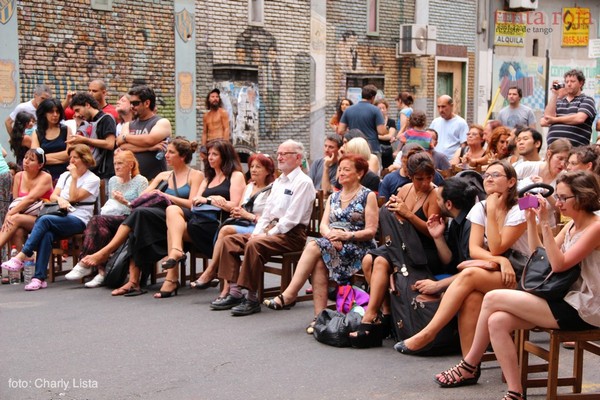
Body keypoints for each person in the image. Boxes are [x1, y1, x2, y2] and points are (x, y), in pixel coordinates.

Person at [434, 170, 600, 400]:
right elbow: (540, 257)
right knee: (497, 320)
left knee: (492, 298)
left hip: (586, 307)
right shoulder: (572, 225)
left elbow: (559, 264)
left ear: (582, 198)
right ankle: (515, 392)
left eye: (563, 198)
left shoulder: (596, 227)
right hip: (565, 298)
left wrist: (544, 223)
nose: (558, 202)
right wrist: (532, 220)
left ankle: (469, 364)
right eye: (558, 196)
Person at [395, 161, 528, 356]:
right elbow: (475, 250)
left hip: (521, 274)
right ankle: (468, 364)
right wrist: (501, 260)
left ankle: (429, 333)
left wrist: (492, 212)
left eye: (496, 175)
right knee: (471, 298)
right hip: (498, 271)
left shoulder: (520, 207)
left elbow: (497, 247)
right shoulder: (479, 208)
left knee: (470, 274)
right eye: (487, 175)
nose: (489, 178)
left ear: (511, 182)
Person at [80, 137, 203, 296]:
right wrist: (125, 201)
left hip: (181, 217)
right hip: (159, 218)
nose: (166, 155)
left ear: (183, 156)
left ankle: (110, 256)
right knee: (138, 217)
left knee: (140, 216)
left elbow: (192, 204)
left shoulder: (195, 175)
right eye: (166, 152)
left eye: (171, 152)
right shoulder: (163, 175)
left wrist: (165, 196)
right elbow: (141, 199)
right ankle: (132, 281)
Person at [263, 154, 378, 321]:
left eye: (346, 169)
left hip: (359, 247)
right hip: (333, 243)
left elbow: (371, 231)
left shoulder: (367, 195)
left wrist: (346, 235)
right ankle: (319, 318)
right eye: (339, 169)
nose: (341, 173)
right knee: (318, 260)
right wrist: (332, 237)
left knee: (313, 246)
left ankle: (290, 294)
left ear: (359, 173)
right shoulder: (334, 197)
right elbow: (323, 225)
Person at [212, 140, 315, 316]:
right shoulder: (278, 182)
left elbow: (291, 220)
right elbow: (267, 213)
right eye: (279, 153)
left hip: (291, 235)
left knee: (255, 245)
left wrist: (266, 235)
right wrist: (257, 233)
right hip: (271, 229)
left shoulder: (303, 182)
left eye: (284, 154)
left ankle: (252, 299)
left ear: (298, 158)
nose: (279, 157)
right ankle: (235, 292)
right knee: (229, 241)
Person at [1, 145, 100, 291]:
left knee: (44, 219)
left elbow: (74, 197)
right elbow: (53, 195)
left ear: (85, 160)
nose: (71, 161)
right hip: (60, 215)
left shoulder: (93, 179)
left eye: (75, 158)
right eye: (70, 157)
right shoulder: (65, 176)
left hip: (79, 219)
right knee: (47, 234)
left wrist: (74, 178)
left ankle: (22, 255)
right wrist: (60, 200)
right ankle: (39, 278)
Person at [157, 140, 245, 298]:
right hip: (199, 221)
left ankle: (172, 277)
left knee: (173, 229)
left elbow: (236, 205)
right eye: (209, 154)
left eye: (215, 154)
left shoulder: (235, 175)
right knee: (172, 210)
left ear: (225, 156)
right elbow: (194, 202)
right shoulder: (208, 178)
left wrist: (210, 200)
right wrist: (205, 200)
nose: (210, 158)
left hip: (218, 224)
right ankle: (176, 251)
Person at [190, 153, 274, 292]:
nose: (253, 170)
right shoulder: (249, 186)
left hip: (261, 228)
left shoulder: (273, 189)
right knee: (226, 235)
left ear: (268, 170)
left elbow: (272, 219)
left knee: (226, 231)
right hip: (244, 224)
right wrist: (236, 211)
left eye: (258, 167)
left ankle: (212, 272)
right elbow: (239, 208)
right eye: (252, 166)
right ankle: (228, 289)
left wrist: (248, 215)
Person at [64, 151, 148, 287]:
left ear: (131, 165)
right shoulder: (113, 180)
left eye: (120, 163)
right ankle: (102, 272)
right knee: (102, 230)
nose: (116, 167)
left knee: (97, 220)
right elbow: (111, 205)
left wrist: (125, 201)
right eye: (115, 164)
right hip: (112, 219)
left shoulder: (141, 181)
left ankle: (84, 263)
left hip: (131, 219)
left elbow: (143, 208)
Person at [0, 148, 53, 251]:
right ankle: (21, 259)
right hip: (23, 217)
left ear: (40, 165)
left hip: (43, 217)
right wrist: (12, 213)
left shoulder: (46, 177)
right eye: (25, 157)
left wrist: (9, 213)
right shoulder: (18, 176)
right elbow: (16, 202)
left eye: (31, 160)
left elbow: (30, 199)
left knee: (14, 218)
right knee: (17, 229)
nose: (26, 161)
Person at [115, 85, 172, 180]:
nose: (132, 106)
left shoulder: (162, 122)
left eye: (135, 103)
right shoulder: (128, 125)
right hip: (131, 181)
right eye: (131, 103)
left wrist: (125, 137)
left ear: (147, 103)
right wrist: (149, 148)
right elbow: (123, 146)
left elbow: (149, 140)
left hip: (154, 181)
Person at [68, 92, 117, 180]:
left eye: (78, 110)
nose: (77, 114)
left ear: (87, 105)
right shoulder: (87, 122)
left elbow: (110, 144)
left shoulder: (107, 119)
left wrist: (85, 140)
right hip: (91, 171)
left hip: (105, 173)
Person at [542, 69, 597, 148]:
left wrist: (555, 120)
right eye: (566, 81)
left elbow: (579, 118)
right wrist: (555, 94)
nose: (569, 84)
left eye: (572, 81)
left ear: (581, 83)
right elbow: (546, 119)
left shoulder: (586, 100)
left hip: (576, 150)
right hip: (553, 149)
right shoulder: (557, 101)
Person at [380, 144, 445, 201]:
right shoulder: (389, 179)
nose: (425, 183)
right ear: (402, 158)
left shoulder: (433, 175)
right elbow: (383, 205)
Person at [337, 84, 387, 155]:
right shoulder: (376, 110)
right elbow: (381, 131)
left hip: (353, 146)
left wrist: (351, 134)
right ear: (373, 97)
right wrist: (386, 129)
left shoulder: (348, 110)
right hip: (371, 147)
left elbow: (340, 130)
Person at [31, 98, 72, 182]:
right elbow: (35, 157)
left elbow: (69, 154)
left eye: (57, 112)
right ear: (44, 113)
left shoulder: (66, 130)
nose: (55, 115)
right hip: (44, 176)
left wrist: (44, 158)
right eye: (51, 112)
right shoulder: (37, 133)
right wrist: (61, 158)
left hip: (64, 175)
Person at [430, 95, 468, 161]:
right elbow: (428, 139)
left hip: (451, 162)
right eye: (438, 107)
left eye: (443, 106)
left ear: (451, 106)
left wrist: (458, 160)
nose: (440, 110)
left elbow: (463, 145)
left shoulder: (461, 123)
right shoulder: (435, 122)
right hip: (434, 160)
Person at [375, 99, 397, 168]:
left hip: (387, 149)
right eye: (379, 108)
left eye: (383, 108)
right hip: (376, 148)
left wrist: (377, 136)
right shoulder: (373, 121)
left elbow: (390, 136)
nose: (382, 110)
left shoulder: (391, 121)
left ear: (386, 109)